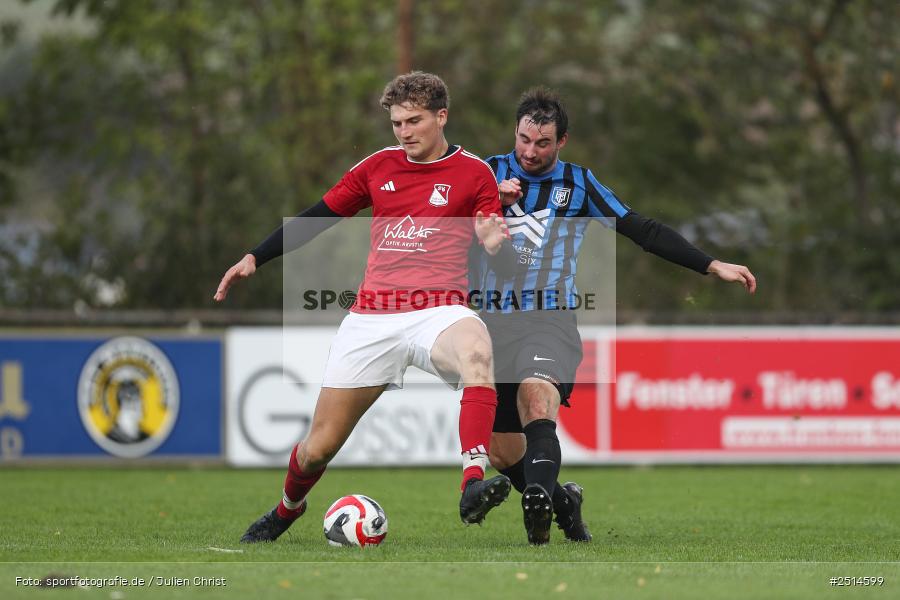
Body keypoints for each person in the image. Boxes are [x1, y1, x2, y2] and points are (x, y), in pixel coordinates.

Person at [214, 72, 515, 543]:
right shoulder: (377, 167)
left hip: (439, 311)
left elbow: (500, 249)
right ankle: (286, 509)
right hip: (373, 318)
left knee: (477, 349)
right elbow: (319, 215)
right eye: (396, 122)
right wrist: (256, 255)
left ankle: (471, 483)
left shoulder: (475, 174)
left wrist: (496, 244)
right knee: (317, 449)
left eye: (413, 120)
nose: (404, 131)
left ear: (442, 116)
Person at [476, 87, 757, 545]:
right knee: (501, 450)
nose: (530, 151)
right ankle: (563, 503)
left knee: (536, 398)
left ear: (561, 141)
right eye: (524, 139)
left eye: (542, 143)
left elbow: (640, 228)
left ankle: (538, 519)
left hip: (550, 319)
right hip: (491, 325)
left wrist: (710, 264)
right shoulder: (486, 173)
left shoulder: (580, 185)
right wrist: (486, 203)